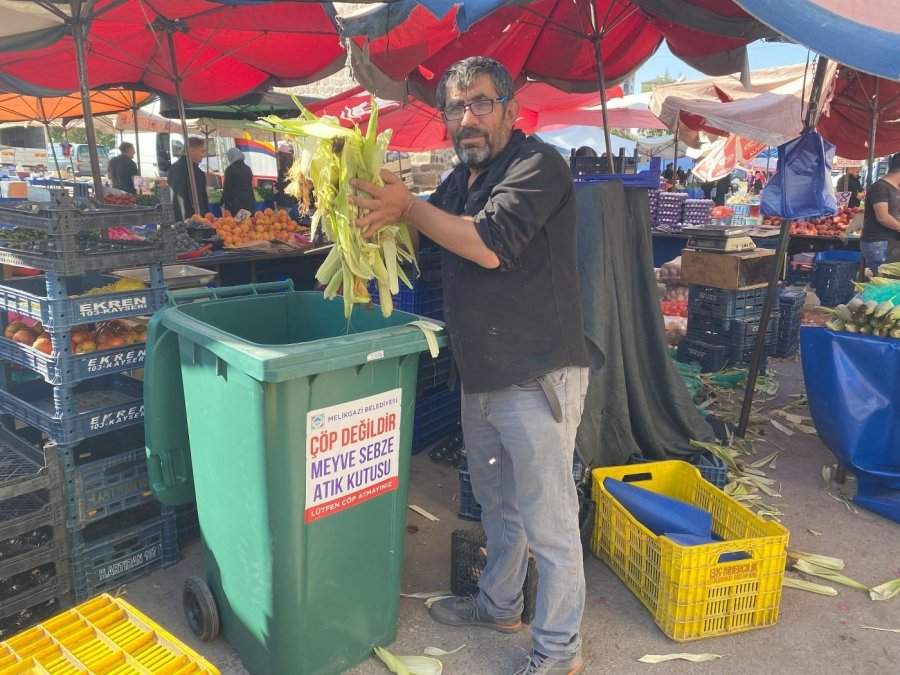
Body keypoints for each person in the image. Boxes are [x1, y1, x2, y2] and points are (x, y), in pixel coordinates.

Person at [349, 56, 589, 675]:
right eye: (455, 108)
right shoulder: (462, 179)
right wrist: (374, 221)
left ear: (510, 109)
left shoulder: (540, 165)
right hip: (480, 373)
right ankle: (499, 604)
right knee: (496, 505)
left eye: (481, 103)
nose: (467, 118)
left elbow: (485, 245)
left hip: (537, 375)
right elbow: (431, 225)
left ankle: (560, 650)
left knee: (550, 521)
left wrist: (408, 210)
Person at [860, 153, 900, 274]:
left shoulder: (895, 188)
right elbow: (883, 217)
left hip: (889, 242)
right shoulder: (880, 187)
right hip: (878, 243)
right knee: (885, 282)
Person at [167, 137, 208, 221]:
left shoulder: (173, 167)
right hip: (191, 220)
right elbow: (197, 199)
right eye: (202, 151)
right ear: (191, 151)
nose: (204, 155)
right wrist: (203, 219)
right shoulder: (194, 171)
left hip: (174, 217)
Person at [221, 147, 255, 215]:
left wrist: (223, 201)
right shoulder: (247, 168)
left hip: (237, 202)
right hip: (250, 199)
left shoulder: (230, 169)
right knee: (249, 223)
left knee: (238, 224)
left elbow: (227, 188)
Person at [274, 143, 298, 210]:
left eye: (279, 154)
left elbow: (282, 186)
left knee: (283, 219)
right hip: (294, 201)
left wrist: (277, 186)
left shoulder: (283, 169)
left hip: (285, 202)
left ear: (284, 155)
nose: (278, 157)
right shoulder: (295, 166)